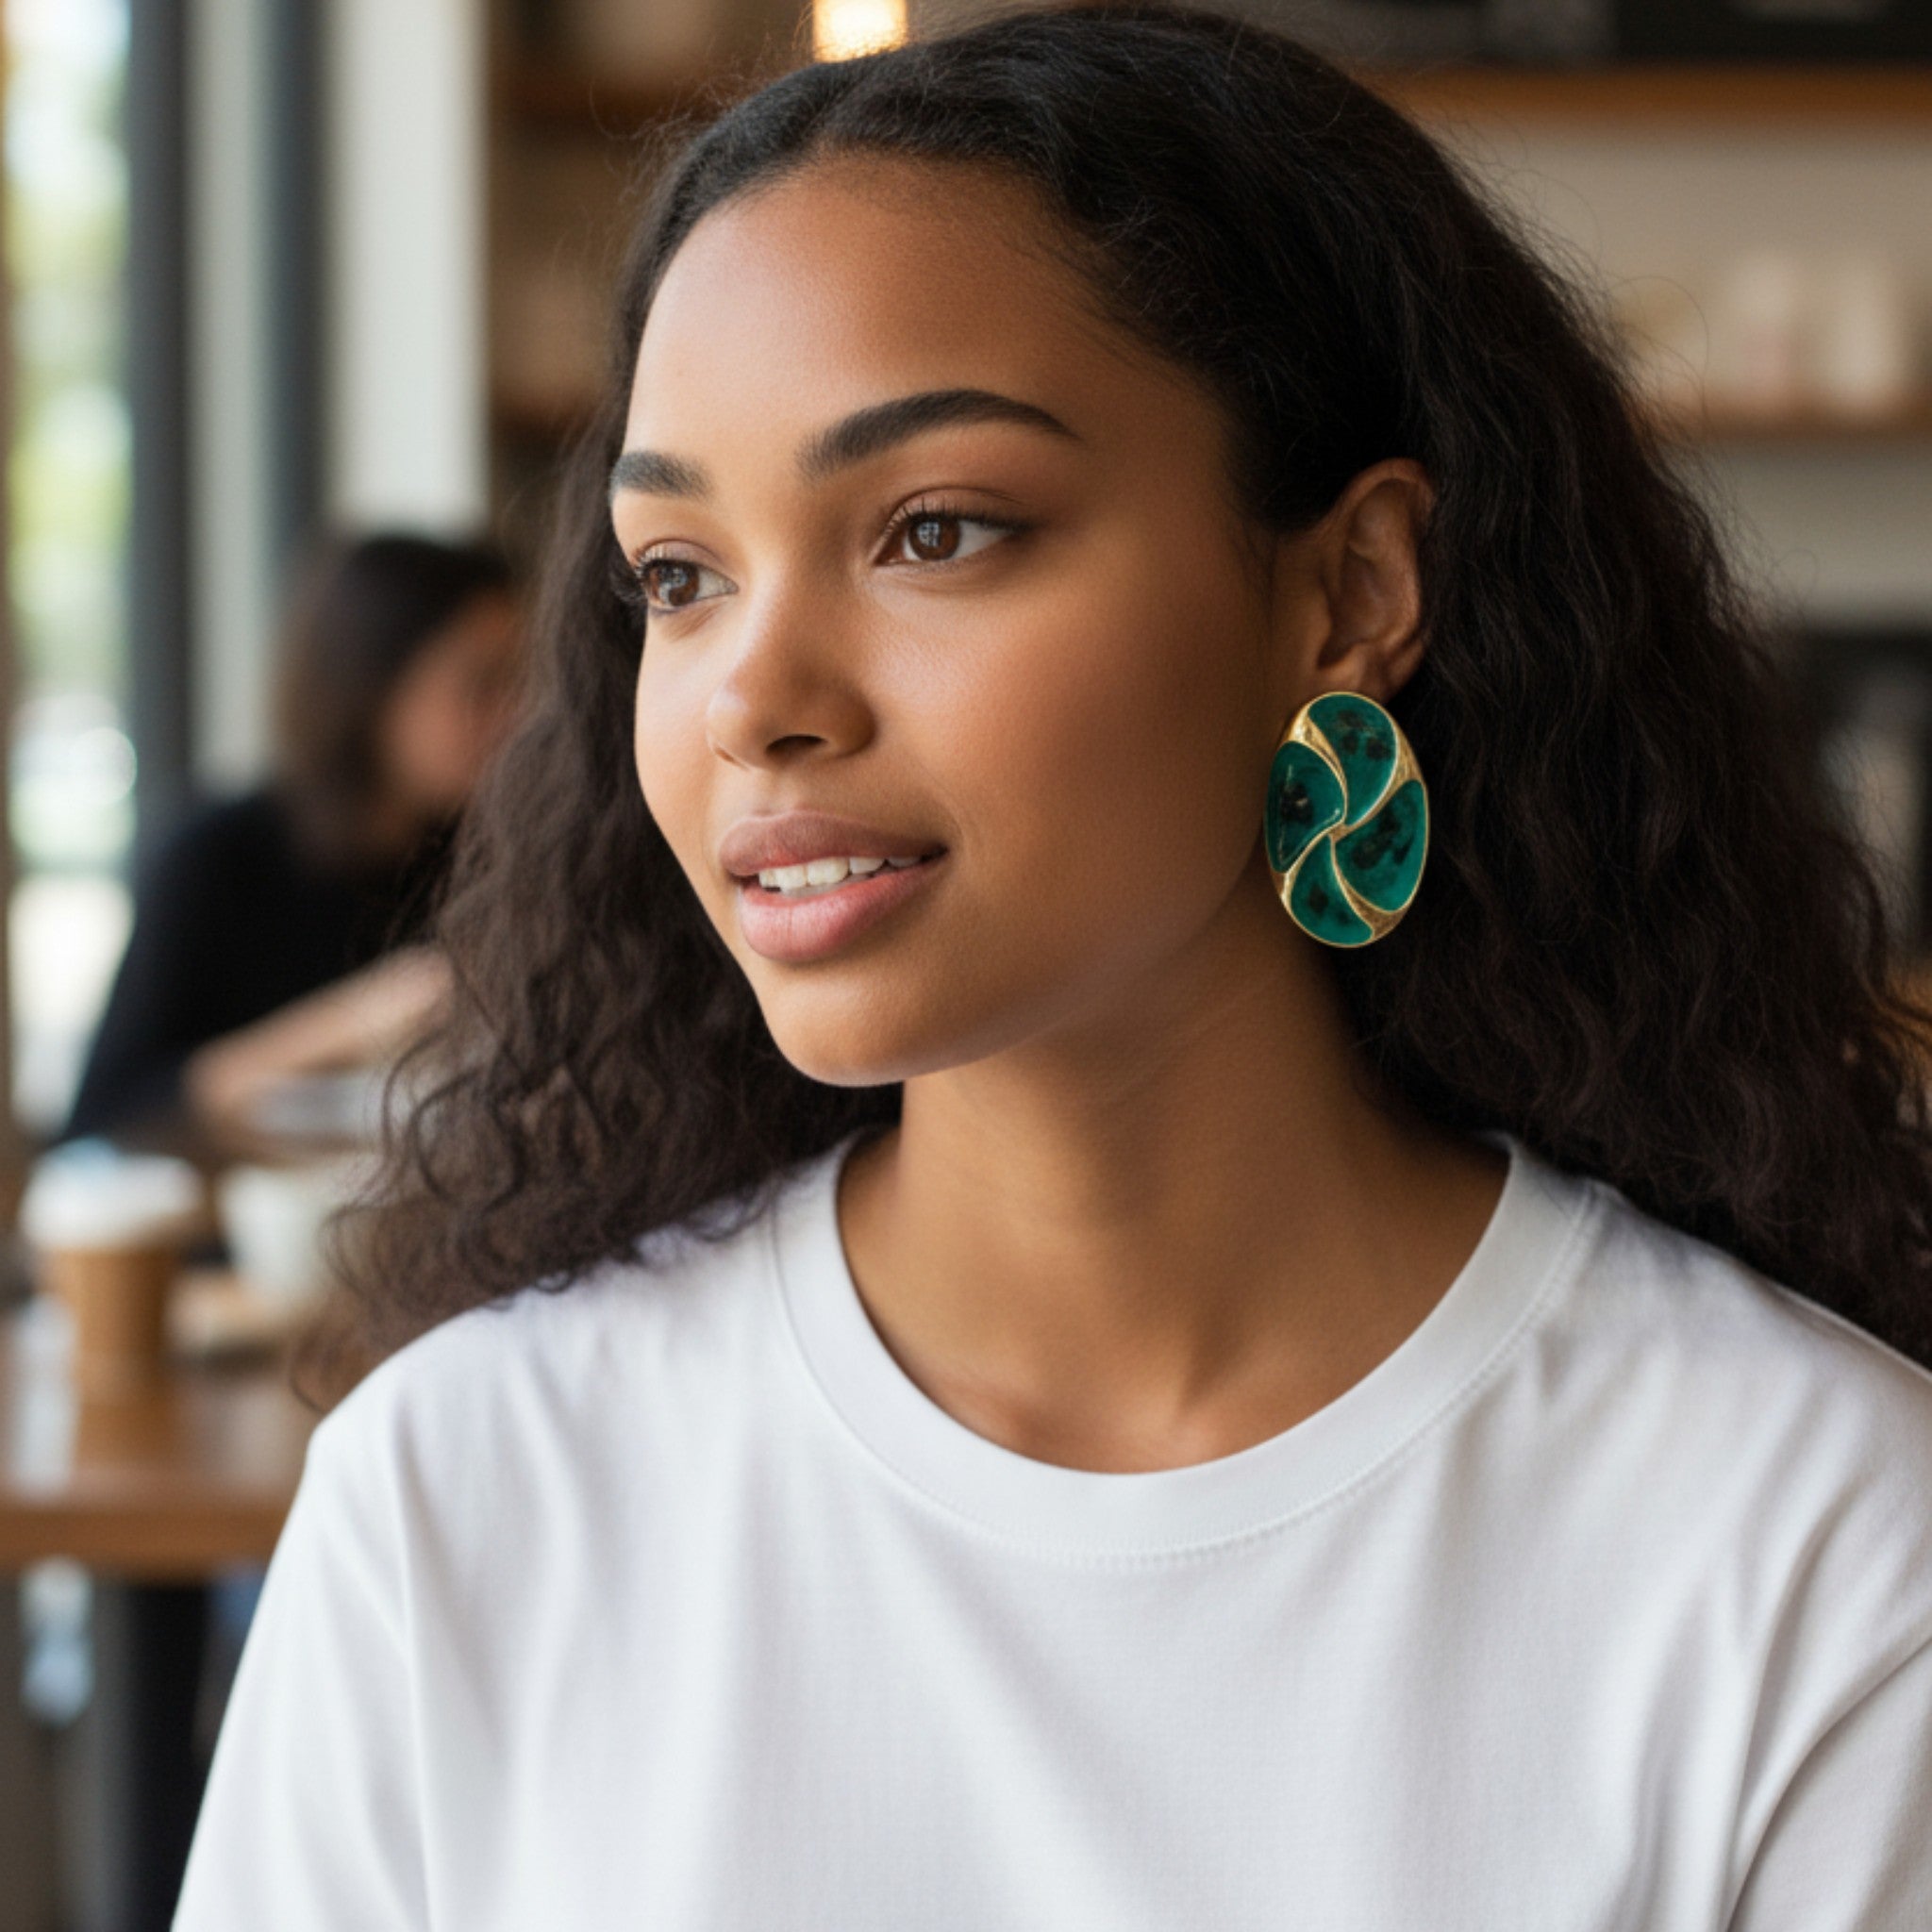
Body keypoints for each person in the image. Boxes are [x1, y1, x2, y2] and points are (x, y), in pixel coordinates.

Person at [174, 8, 1932, 1927]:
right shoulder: (465, 1503)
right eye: (677, 575)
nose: (751, 698)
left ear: (1345, 594)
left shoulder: (1815, 1540)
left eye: (936, 530)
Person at [62, 530, 524, 1159]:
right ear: (374, 682)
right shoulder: (216, 856)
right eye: (481, 684)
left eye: (520, 682)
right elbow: (110, 1113)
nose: (514, 715)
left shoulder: (487, 856)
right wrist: (356, 1020)